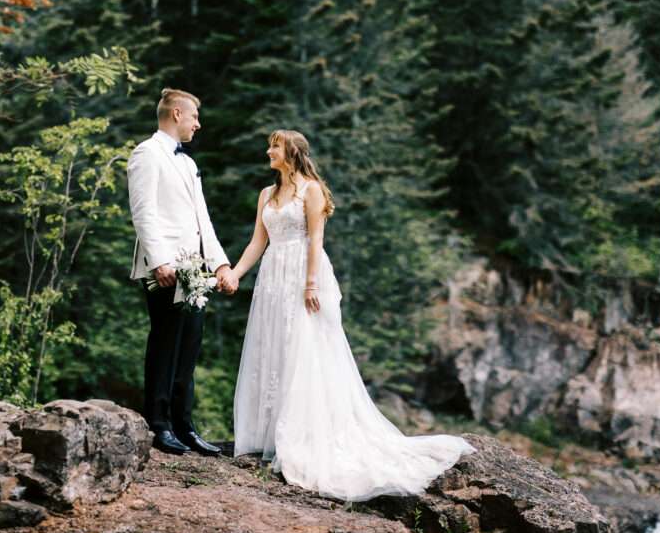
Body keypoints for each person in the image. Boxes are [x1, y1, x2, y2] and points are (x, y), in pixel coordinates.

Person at [230, 129, 474, 500]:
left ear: (292, 152)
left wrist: (310, 285)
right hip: (272, 279)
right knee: (275, 348)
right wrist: (234, 273)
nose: (268, 151)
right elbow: (256, 243)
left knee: (304, 351)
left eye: (275, 146)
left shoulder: (310, 190)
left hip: (301, 275)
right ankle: (271, 434)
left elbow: (316, 239)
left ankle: (305, 435)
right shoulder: (266, 194)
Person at [128, 88, 238, 456]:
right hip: (165, 269)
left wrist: (220, 263)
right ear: (176, 114)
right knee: (165, 344)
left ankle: (184, 427)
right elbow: (143, 211)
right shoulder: (147, 152)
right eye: (194, 116)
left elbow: (201, 218)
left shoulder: (188, 163)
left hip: (195, 271)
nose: (198, 123)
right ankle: (158, 425)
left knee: (188, 348)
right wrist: (159, 260)